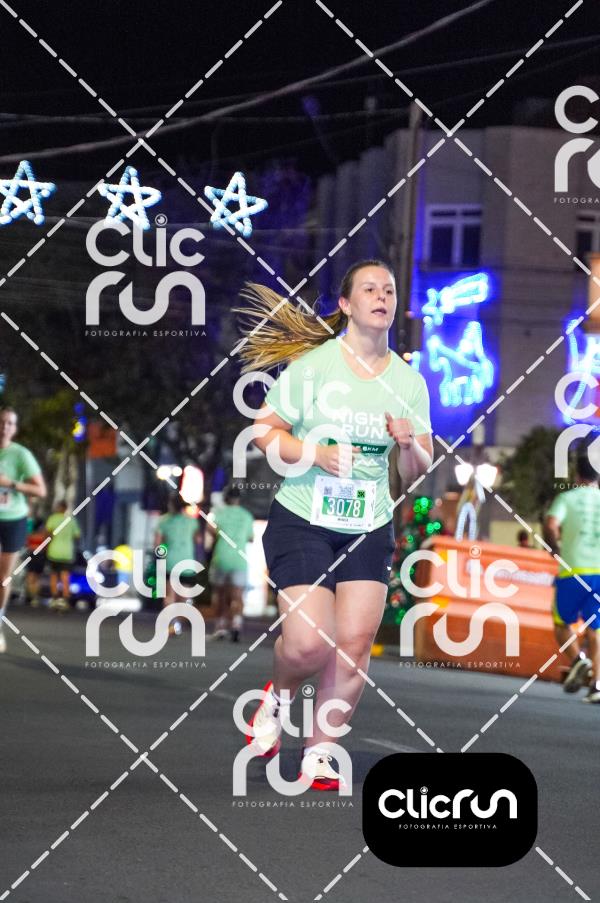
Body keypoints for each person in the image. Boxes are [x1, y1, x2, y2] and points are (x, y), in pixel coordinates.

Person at [236, 260, 433, 788]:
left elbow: (417, 470)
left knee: (354, 642)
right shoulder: (315, 368)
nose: (381, 296)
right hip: (303, 517)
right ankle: (277, 698)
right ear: (346, 305)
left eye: (389, 290)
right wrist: (314, 453)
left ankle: (320, 751)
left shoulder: (409, 382)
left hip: (369, 522)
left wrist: (407, 443)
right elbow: (263, 431)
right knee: (307, 644)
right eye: (369, 289)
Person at [545, 454, 600, 703]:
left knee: (561, 624)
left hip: (572, 571)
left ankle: (578, 660)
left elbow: (551, 524)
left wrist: (554, 548)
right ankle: (597, 686)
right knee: (595, 628)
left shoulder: (567, 498)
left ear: (577, 475)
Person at [0, 406, 47, 652]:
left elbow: (40, 490)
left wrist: (10, 483)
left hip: (13, 518)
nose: (4, 427)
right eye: (1, 422)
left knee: (3, 577)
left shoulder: (20, 455)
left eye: (9, 423)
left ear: (14, 428)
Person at [207, 487, 254, 642]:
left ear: (226, 498)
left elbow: (211, 530)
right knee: (237, 595)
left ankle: (220, 627)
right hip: (239, 559)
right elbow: (250, 538)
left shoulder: (218, 513)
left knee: (220, 594)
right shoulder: (247, 516)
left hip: (221, 558)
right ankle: (236, 625)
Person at [154, 493, 201, 635]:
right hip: (187, 563)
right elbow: (198, 540)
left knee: (169, 596)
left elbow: (157, 544)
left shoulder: (163, 521)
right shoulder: (192, 521)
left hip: (170, 562)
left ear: (171, 505)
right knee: (184, 596)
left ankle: (174, 624)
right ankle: (184, 614)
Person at [45, 500, 81, 612]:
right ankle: (65, 599)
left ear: (58, 507)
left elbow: (48, 534)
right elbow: (77, 536)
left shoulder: (53, 519)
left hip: (54, 551)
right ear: (66, 508)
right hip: (67, 552)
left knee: (54, 575)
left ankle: (55, 598)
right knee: (65, 576)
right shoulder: (71, 520)